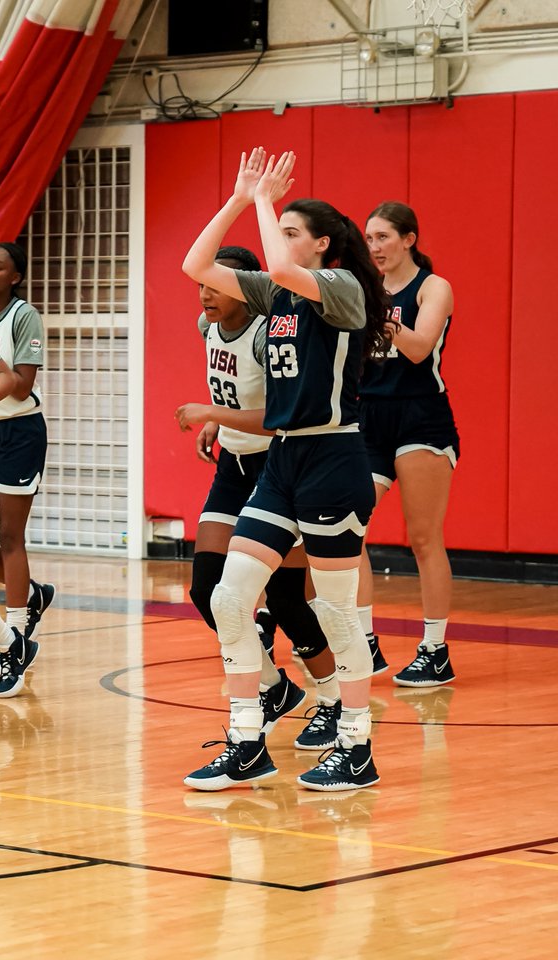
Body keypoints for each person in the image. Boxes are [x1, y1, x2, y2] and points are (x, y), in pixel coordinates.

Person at [180, 148, 392, 791]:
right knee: (228, 596)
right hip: (285, 461)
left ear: (323, 244)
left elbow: (275, 260)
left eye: (297, 231)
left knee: (333, 612)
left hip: (334, 458)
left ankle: (356, 746)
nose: (281, 239)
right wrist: (242, 198)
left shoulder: (345, 291)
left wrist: (268, 201)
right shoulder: (275, 293)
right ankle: (248, 740)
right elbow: (195, 265)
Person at [175, 246, 343, 751]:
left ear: (246, 289)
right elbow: (230, 395)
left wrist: (213, 414)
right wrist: (216, 422)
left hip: (278, 466)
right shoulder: (207, 327)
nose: (205, 294)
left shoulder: (268, 335)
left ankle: (333, 700)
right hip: (233, 466)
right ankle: (275, 686)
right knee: (206, 588)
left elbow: (277, 414)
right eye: (201, 284)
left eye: (217, 284)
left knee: (287, 598)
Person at [359, 202, 458, 687]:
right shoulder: (363, 288)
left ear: (408, 239)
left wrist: (380, 316)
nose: (374, 247)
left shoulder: (433, 287)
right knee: (345, 527)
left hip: (421, 415)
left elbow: (419, 348)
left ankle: (435, 649)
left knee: (422, 538)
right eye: (369, 239)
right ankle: (363, 641)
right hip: (368, 416)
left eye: (383, 237)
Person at [0, 242, 55, 696]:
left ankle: (17, 640)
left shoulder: (24, 317)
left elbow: (21, 387)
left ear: (15, 277)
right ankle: (34, 593)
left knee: (11, 536)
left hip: (19, 432)